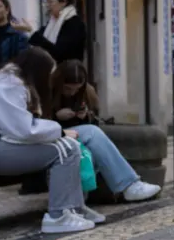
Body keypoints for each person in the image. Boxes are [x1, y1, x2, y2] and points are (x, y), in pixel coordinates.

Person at [0, 47, 95, 233]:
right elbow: (24, 130)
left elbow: (17, 128)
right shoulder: (9, 86)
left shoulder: (9, 82)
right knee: (67, 150)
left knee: (66, 146)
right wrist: (60, 132)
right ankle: (59, 216)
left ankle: (74, 209)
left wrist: (57, 134)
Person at [50, 60, 161, 209]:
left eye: (76, 89)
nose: (72, 93)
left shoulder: (86, 92)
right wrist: (56, 117)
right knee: (92, 133)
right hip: (55, 135)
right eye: (67, 89)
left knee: (88, 152)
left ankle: (77, 204)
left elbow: (95, 119)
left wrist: (86, 115)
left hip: (75, 136)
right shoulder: (48, 91)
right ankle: (128, 185)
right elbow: (39, 124)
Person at [25, 0, 87, 64]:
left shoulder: (74, 23)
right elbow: (39, 40)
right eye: (46, 1)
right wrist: (28, 30)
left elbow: (59, 52)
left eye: (50, 2)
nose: (47, 5)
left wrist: (31, 31)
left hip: (67, 69)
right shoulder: (52, 22)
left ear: (63, 2)